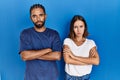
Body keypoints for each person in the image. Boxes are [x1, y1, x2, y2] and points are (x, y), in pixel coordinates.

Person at [19, 4, 62, 80]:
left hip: (51, 77)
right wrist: (47, 50)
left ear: (45, 16)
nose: (38, 19)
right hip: (31, 77)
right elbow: (24, 56)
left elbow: (57, 56)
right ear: (31, 18)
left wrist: (32, 55)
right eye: (34, 16)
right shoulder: (25, 33)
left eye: (41, 15)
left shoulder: (54, 34)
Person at [63, 15, 100, 80]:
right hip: (70, 77)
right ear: (72, 28)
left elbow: (96, 61)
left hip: (85, 77)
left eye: (81, 26)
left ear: (85, 27)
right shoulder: (67, 41)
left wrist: (74, 57)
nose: (78, 30)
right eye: (75, 27)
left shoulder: (90, 43)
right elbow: (67, 60)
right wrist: (89, 61)